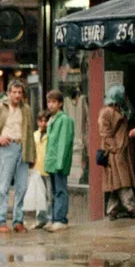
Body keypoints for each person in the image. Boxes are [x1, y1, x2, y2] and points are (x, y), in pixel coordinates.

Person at [0, 81, 36, 233]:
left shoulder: (27, 110)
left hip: (23, 148)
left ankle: (18, 220)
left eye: (20, 92)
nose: (17, 95)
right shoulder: (0, 108)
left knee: (22, 186)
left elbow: (30, 133)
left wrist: (32, 155)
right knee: (3, 186)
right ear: (9, 93)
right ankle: (0, 221)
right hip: (7, 147)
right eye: (14, 92)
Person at [99, 85, 135, 219]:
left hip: (122, 149)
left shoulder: (120, 109)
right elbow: (105, 133)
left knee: (116, 182)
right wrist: (114, 148)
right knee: (122, 181)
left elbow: (131, 113)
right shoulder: (106, 112)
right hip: (115, 152)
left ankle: (113, 209)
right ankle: (131, 207)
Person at [43, 89, 76, 233]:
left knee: (60, 190)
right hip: (51, 161)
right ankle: (55, 218)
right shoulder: (52, 119)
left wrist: (60, 162)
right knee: (54, 191)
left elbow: (64, 142)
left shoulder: (64, 120)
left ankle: (61, 219)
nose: (50, 105)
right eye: (49, 102)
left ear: (60, 103)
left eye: (53, 102)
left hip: (58, 161)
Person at [31, 111, 52, 229]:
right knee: (39, 196)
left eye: (46, 121)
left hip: (48, 169)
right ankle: (40, 219)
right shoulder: (34, 135)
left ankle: (49, 218)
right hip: (37, 169)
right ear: (37, 122)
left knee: (50, 196)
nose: (43, 124)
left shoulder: (51, 135)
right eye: (41, 121)